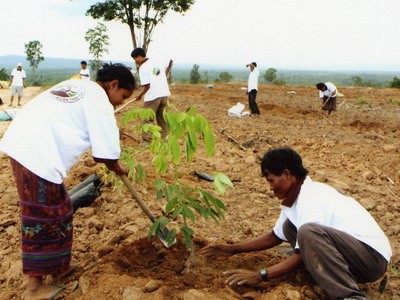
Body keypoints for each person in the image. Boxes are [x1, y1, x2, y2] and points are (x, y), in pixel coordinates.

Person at [0, 63, 135, 299]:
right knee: (43, 217)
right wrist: (118, 167)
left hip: (25, 144)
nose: (119, 103)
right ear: (113, 85)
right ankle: (34, 289)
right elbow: (105, 154)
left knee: (61, 209)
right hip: (36, 154)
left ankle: (58, 269)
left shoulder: (79, 85)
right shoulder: (99, 100)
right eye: (122, 96)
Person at [202, 147, 391, 300]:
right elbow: (275, 237)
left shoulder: (310, 197)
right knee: (289, 228)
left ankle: (349, 296)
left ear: (286, 174)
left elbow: (304, 251)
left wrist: (261, 275)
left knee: (308, 232)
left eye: (271, 180)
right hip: (356, 255)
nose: (270, 187)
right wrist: (232, 249)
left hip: (371, 259)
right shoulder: (296, 198)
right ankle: (325, 275)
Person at [131, 47, 173, 143]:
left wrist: (140, 96)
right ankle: (164, 139)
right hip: (164, 94)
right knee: (161, 118)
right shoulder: (156, 62)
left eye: (135, 59)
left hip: (153, 96)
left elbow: (147, 86)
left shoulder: (143, 68)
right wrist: (164, 75)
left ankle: (147, 141)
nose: (135, 61)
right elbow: (170, 62)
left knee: (146, 119)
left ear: (139, 56)